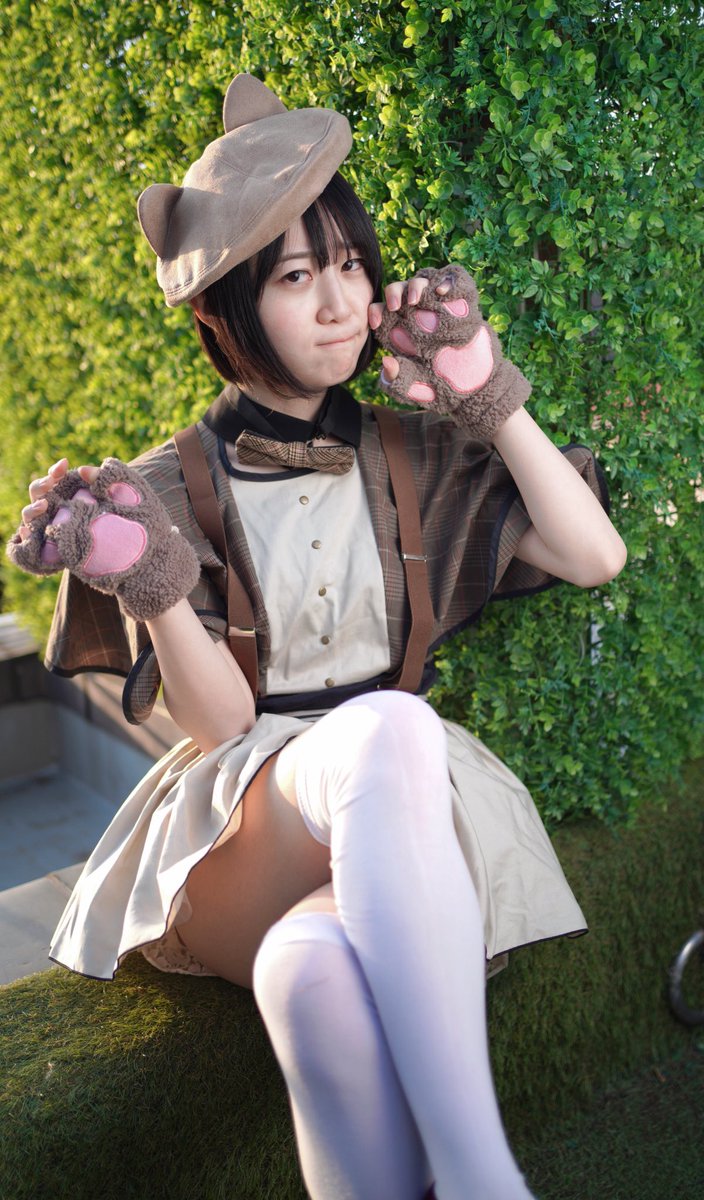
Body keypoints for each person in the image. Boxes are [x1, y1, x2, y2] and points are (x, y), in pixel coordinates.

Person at [7, 74, 626, 1200]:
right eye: (296, 277)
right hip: (247, 821)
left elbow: (593, 556)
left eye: (349, 264)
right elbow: (220, 722)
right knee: (392, 726)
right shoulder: (160, 488)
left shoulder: (414, 451)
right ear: (224, 312)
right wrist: (153, 580)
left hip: (392, 825)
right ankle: (485, 1180)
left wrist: (488, 397)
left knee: (312, 972)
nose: (342, 302)